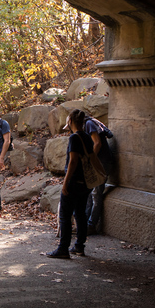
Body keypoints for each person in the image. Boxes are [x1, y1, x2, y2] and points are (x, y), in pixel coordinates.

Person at [48, 109, 95, 259]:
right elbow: (93, 158)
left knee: (65, 215)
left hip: (74, 181)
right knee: (81, 214)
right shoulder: (87, 137)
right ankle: (80, 246)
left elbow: (73, 161)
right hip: (85, 183)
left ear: (70, 122)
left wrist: (65, 183)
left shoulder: (74, 138)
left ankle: (63, 248)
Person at [84, 115, 114, 235]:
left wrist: (89, 160)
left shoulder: (88, 124)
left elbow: (97, 143)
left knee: (96, 193)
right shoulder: (88, 124)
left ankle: (91, 225)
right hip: (99, 162)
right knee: (90, 192)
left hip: (102, 162)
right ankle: (85, 223)